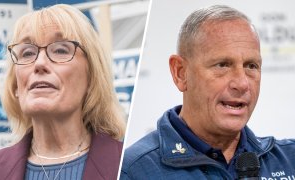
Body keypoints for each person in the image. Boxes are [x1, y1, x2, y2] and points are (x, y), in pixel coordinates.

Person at [121, 5, 295, 180]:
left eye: (251, 66)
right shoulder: (131, 171)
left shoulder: (290, 159)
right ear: (180, 73)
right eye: (223, 65)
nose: (242, 83)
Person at [0, 4, 125, 180]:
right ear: (16, 85)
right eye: (27, 53)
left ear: (92, 76)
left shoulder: (129, 166)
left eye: (60, 50)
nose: (39, 64)